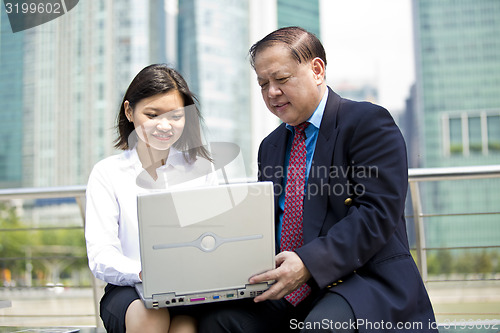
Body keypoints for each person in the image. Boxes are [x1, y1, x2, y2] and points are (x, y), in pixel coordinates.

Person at [199, 27, 437, 332]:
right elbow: (268, 225)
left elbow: (376, 214)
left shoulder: (367, 123)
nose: (271, 92)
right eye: (263, 84)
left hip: (363, 281)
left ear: (317, 70)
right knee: (216, 321)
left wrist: (308, 263)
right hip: (291, 290)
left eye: (281, 79)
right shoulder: (269, 147)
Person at [85, 64, 217, 333]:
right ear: (129, 111)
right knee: (150, 318)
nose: (165, 125)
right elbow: (101, 253)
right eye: (152, 114)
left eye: (176, 116)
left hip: (188, 289)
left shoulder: (201, 169)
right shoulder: (107, 173)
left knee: (184, 327)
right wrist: (144, 272)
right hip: (130, 288)